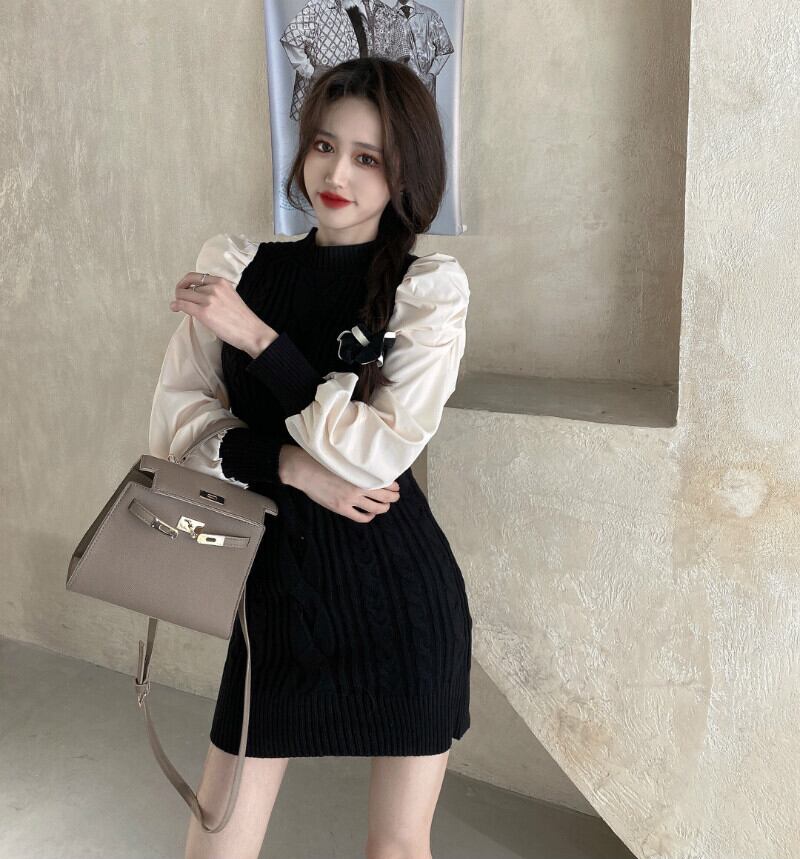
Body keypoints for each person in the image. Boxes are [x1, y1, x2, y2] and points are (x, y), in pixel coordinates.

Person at [149, 56, 472, 859]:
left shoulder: (429, 292)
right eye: (325, 146)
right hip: (276, 600)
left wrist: (260, 339)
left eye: (368, 158)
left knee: (396, 847)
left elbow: (376, 455)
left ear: (405, 174)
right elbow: (175, 432)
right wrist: (290, 468)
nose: (337, 174)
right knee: (215, 845)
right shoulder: (235, 267)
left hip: (403, 603)